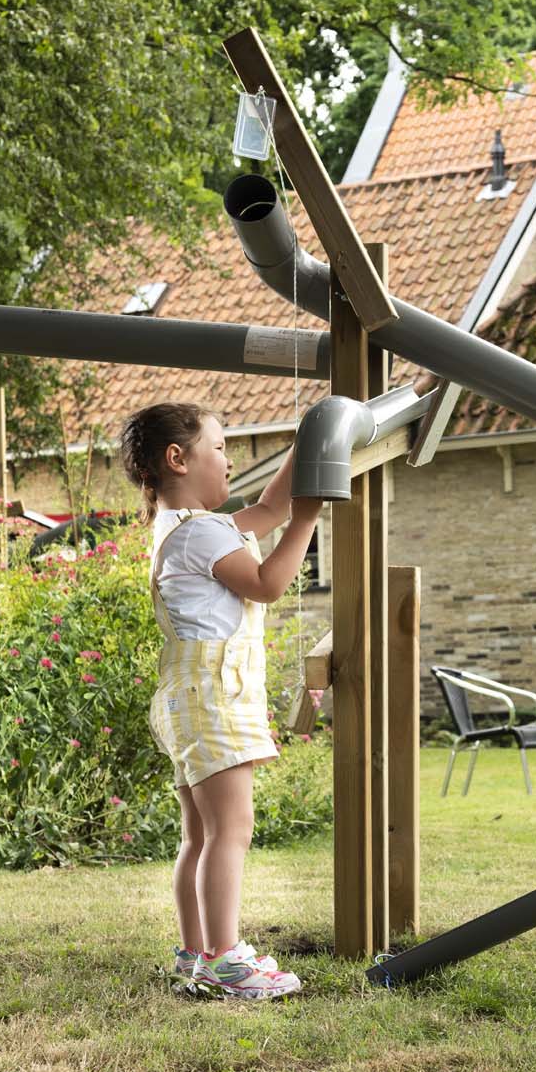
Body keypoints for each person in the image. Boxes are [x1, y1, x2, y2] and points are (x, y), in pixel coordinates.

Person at [119, 402, 323, 1001]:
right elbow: (268, 583)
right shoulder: (203, 530)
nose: (231, 460)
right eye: (219, 448)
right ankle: (226, 959)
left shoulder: (181, 528)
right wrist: (307, 520)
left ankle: (196, 953)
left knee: (201, 837)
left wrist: (307, 448)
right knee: (232, 830)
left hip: (188, 695)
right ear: (178, 458)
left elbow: (265, 508)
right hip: (214, 696)